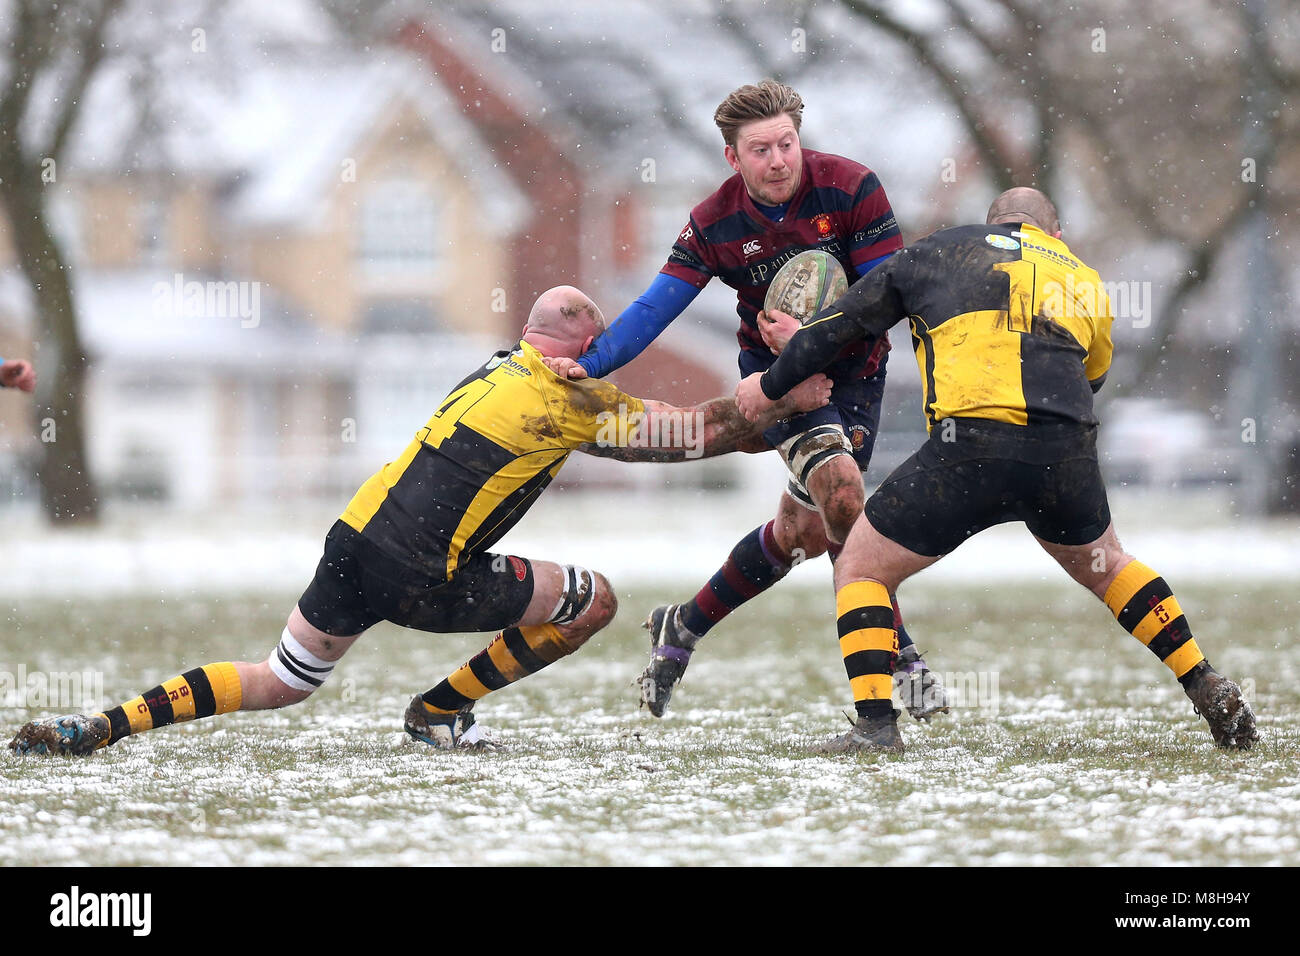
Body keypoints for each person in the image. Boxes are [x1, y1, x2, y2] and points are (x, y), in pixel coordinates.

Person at [8, 286, 831, 757]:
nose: (609, 356)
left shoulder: (502, 369)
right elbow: (690, 436)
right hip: (421, 570)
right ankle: (439, 712)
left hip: (354, 539)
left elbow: (649, 438)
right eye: (605, 344)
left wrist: (759, 427)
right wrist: (790, 401)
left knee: (280, 680)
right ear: (581, 346)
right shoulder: (569, 393)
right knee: (596, 601)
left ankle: (101, 727)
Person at [736, 187, 1259, 754]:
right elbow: (1094, 378)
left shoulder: (935, 252)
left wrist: (769, 384)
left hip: (970, 447)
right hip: (1064, 450)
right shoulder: (1082, 276)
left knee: (860, 568)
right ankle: (1202, 679)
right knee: (1110, 569)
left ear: (992, 222)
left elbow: (841, 325)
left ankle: (876, 726)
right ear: (1052, 234)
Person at [544, 79, 947, 721]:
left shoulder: (852, 187)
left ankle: (683, 623)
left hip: (857, 378)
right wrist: (588, 364)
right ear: (733, 157)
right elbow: (655, 308)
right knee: (843, 493)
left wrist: (814, 337)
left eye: (787, 143)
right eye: (760, 150)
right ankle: (895, 660)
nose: (779, 159)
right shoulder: (712, 222)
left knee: (802, 534)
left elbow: (889, 296)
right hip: (777, 384)